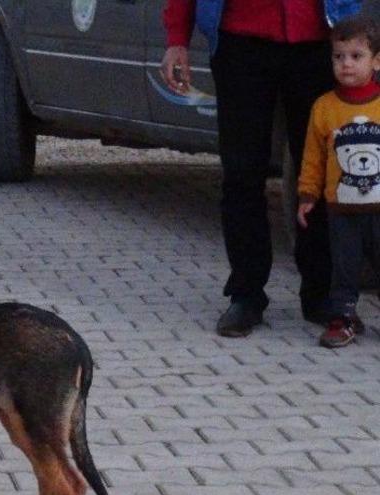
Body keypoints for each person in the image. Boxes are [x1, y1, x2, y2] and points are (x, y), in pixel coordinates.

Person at [161, 0, 363, 337]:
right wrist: (176, 38)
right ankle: (246, 295)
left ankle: (322, 293)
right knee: (242, 172)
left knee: (321, 173)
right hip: (241, 41)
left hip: (317, 41)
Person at [297, 16, 380, 347]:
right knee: (344, 267)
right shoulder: (324, 108)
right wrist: (306, 194)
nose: (346, 64)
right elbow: (313, 157)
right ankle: (342, 317)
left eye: (356, 56)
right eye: (339, 56)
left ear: (376, 61)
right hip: (341, 209)